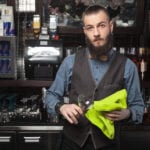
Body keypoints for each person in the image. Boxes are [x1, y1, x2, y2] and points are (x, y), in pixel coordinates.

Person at [45, 4, 144, 150]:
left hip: (108, 144)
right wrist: (61, 107)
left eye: (101, 25)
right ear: (85, 31)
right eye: (90, 28)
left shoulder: (128, 66)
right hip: (71, 142)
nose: (96, 33)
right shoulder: (70, 62)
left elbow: (138, 107)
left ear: (111, 26)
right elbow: (50, 96)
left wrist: (127, 113)